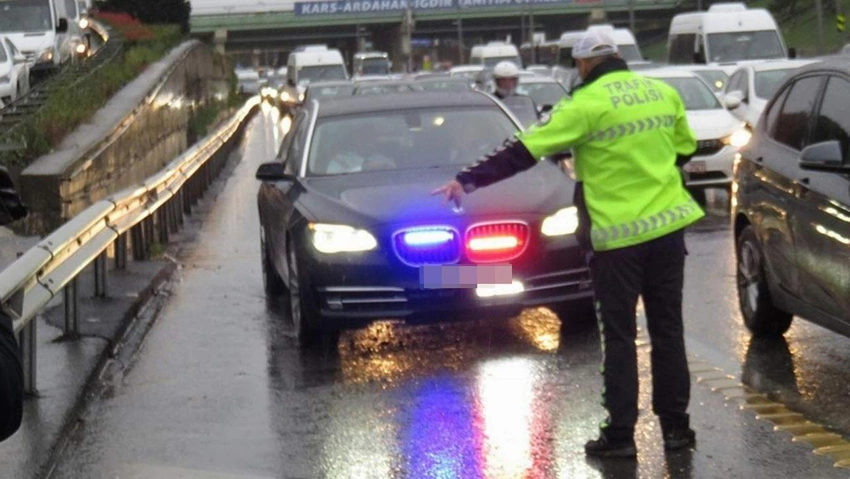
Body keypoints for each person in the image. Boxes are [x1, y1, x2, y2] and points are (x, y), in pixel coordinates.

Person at [433, 30, 702, 458]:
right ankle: (676, 430)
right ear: (617, 56)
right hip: (668, 230)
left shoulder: (583, 105)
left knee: (619, 337)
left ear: (583, 65)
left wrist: (467, 180)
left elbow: (524, 150)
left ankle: (620, 435)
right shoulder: (661, 93)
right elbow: (684, 150)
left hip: (616, 239)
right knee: (668, 330)